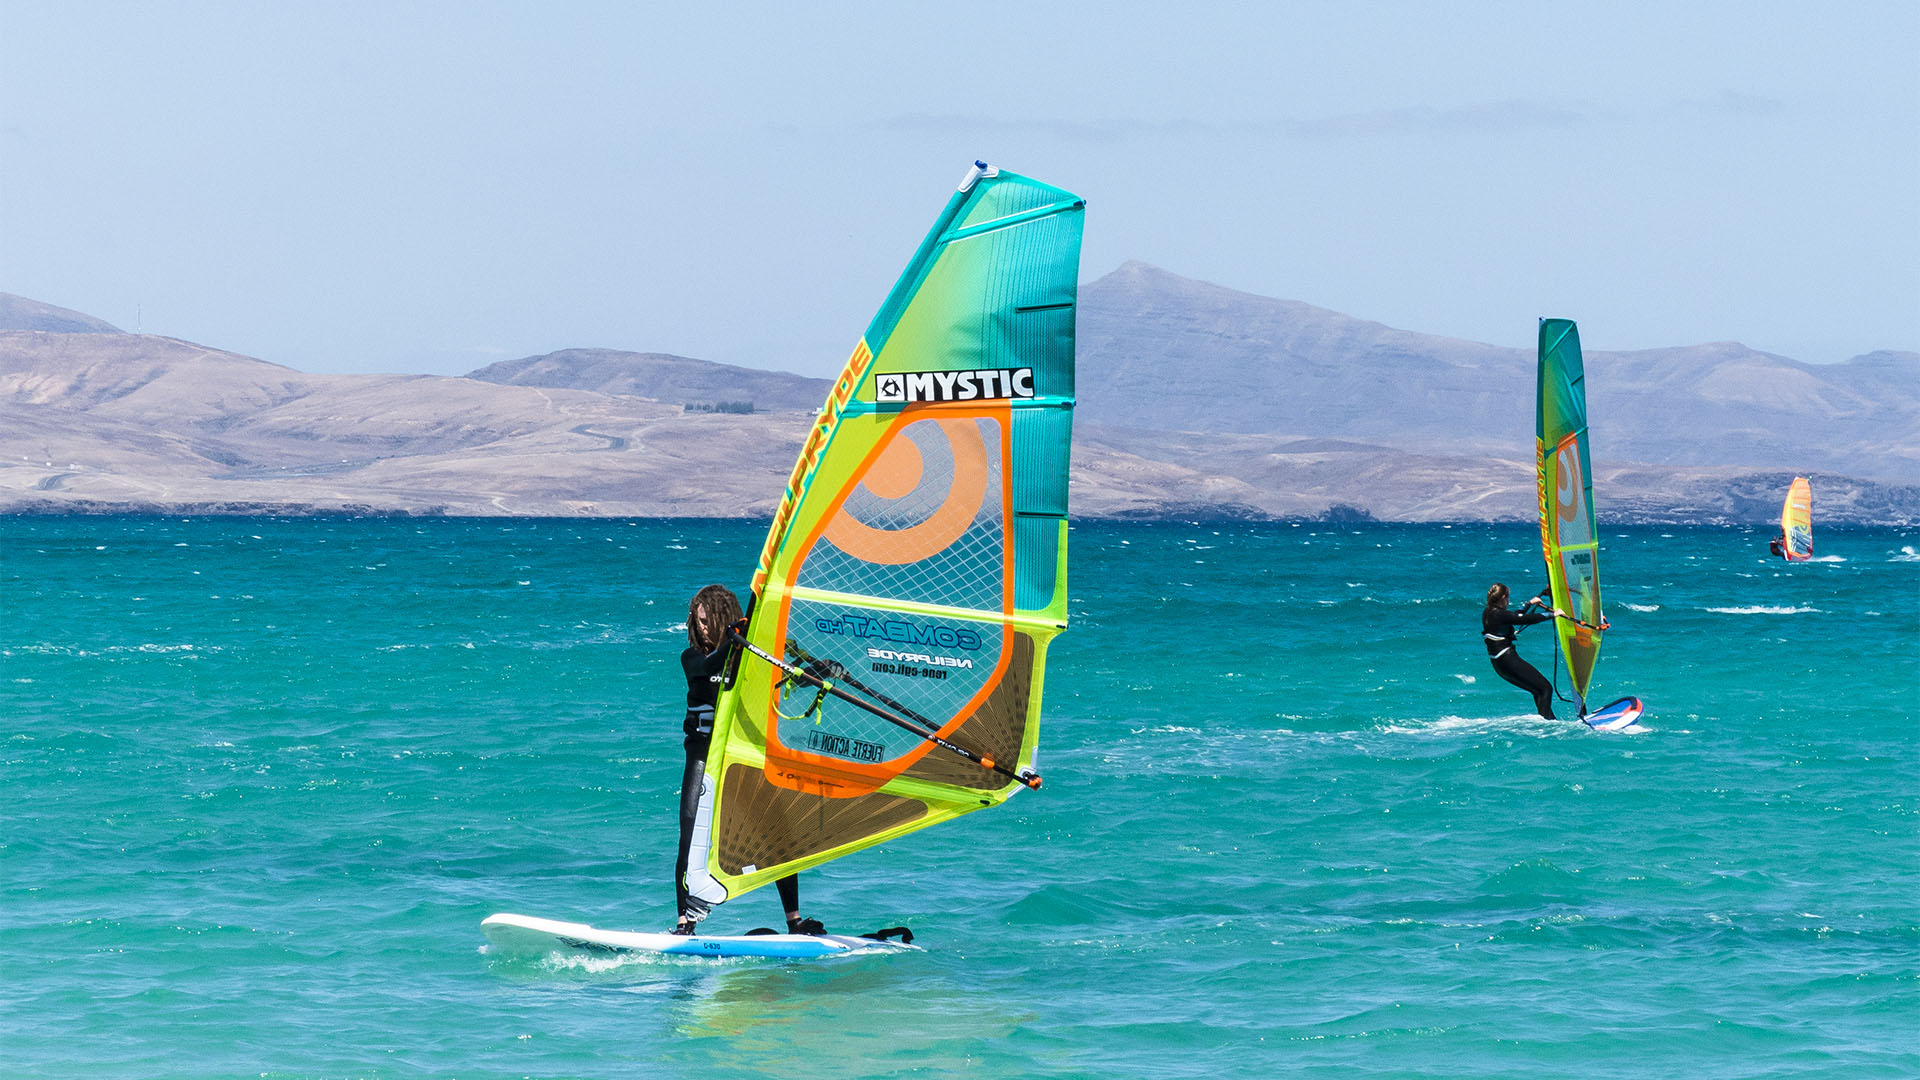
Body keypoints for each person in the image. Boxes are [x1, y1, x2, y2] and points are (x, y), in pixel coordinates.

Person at [674, 584, 825, 936]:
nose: (703, 628)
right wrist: (735, 639)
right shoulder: (692, 658)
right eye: (699, 622)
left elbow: (793, 673)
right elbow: (711, 664)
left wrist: (823, 671)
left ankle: (794, 921)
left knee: (778, 835)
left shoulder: (749, 655)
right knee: (690, 833)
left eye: (709, 621)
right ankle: (685, 923)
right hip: (702, 758)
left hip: (740, 758)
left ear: (723, 619)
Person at [1481, 582, 1562, 720]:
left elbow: (1514, 616)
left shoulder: (1489, 612)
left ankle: (1548, 721)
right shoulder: (1499, 614)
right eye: (1508, 598)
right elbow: (1523, 619)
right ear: (1504, 597)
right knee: (1545, 688)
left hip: (1499, 664)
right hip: (1507, 659)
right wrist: (1552, 614)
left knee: (1538, 691)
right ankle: (1548, 725)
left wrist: (1529, 603)